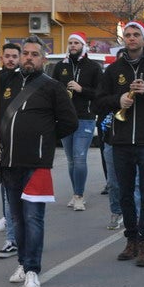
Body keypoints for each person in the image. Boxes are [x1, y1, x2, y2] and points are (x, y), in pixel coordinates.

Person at [0, 36, 78, 287]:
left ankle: (32, 269)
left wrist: (44, 139)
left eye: (34, 54)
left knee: (33, 218)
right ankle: (22, 262)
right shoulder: (7, 79)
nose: (28, 57)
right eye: (25, 53)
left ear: (43, 59)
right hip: (8, 161)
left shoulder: (52, 87)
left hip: (37, 163)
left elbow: (69, 122)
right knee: (16, 218)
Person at [94, 20, 144, 267]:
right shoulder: (113, 69)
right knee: (125, 193)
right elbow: (98, 102)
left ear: (143, 39)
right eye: (127, 35)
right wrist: (118, 99)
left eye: (135, 34)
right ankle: (130, 239)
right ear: (124, 40)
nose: (131, 38)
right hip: (120, 141)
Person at [51, 32, 103, 211]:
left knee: (80, 158)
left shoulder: (93, 67)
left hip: (85, 118)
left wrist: (82, 89)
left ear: (83, 45)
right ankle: (75, 193)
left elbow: (100, 93)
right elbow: (52, 90)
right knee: (71, 160)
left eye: (76, 43)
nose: (72, 45)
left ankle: (79, 196)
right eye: (70, 43)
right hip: (65, 119)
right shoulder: (60, 67)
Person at [0, 43, 22, 259]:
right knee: (6, 192)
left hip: (21, 143)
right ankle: (12, 235)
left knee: (23, 196)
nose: (10, 59)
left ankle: (22, 237)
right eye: (6, 56)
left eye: (14, 56)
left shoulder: (26, 81)